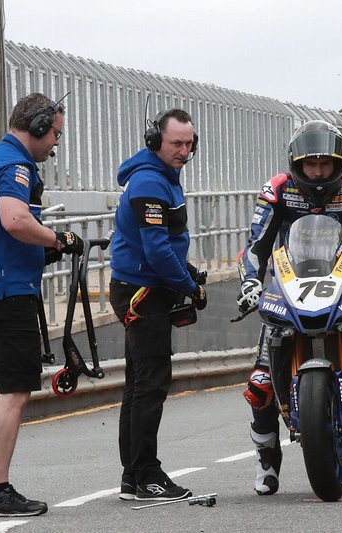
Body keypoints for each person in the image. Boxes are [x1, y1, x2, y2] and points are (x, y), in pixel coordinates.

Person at [236, 120, 342, 495]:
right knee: (259, 383)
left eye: (325, 165)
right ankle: (266, 461)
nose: (317, 173)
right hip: (290, 281)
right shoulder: (277, 191)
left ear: (340, 164)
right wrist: (250, 281)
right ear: (296, 164)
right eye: (311, 165)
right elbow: (256, 245)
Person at [0, 92, 84, 517]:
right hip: (5, 292)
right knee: (13, 393)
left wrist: (39, 249)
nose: (56, 143)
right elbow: (14, 219)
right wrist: (58, 239)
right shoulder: (16, 165)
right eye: (55, 134)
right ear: (39, 126)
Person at [109, 108, 207, 502]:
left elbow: (166, 244)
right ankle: (147, 475)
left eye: (189, 144)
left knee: (138, 385)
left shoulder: (163, 176)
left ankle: (133, 476)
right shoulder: (150, 182)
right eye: (176, 144)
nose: (183, 151)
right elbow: (155, 248)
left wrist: (187, 271)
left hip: (142, 286)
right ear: (156, 141)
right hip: (142, 292)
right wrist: (188, 285)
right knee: (150, 385)